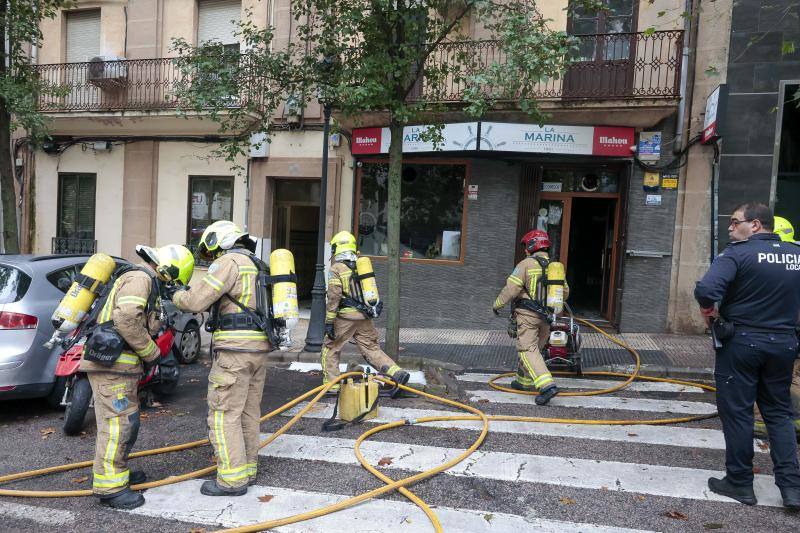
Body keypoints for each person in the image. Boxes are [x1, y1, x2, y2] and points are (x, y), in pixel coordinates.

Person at [694, 203, 800, 509]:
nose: (730, 227)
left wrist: (708, 312)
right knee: (779, 413)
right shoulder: (795, 254)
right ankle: (792, 489)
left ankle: (740, 483)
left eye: (734, 221)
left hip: (742, 343)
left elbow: (706, 290)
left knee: (738, 412)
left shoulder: (737, 253)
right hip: (783, 344)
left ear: (755, 225)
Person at [81, 244, 194, 510]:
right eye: (174, 279)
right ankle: (111, 488)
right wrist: (152, 352)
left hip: (120, 366)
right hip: (113, 366)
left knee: (124, 424)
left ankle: (116, 473)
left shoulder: (143, 281)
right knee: (118, 426)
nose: (172, 285)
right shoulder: (141, 279)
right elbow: (126, 317)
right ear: (169, 269)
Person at [169, 221, 272, 496]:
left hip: (234, 351)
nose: (212, 257)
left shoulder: (229, 262)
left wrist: (176, 293)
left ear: (219, 242)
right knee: (249, 413)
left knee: (224, 413)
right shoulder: (259, 264)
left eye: (211, 251)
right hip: (258, 350)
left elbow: (195, 301)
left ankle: (231, 480)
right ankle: (247, 469)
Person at [321, 231, 410, 394]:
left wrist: (329, 322)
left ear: (338, 248)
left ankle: (332, 385)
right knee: (371, 348)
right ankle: (397, 374)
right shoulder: (362, 267)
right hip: (364, 316)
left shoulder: (336, 269)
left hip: (345, 317)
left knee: (330, 347)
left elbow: (334, 297)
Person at [492, 229, 568, 406]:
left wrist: (497, 305)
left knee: (527, 350)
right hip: (547, 317)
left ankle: (547, 386)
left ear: (532, 246)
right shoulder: (554, 266)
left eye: (526, 246)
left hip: (527, 315)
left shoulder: (525, 265)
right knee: (536, 349)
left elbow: (511, 289)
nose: (525, 249)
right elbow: (565, 292)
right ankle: (524, 382)